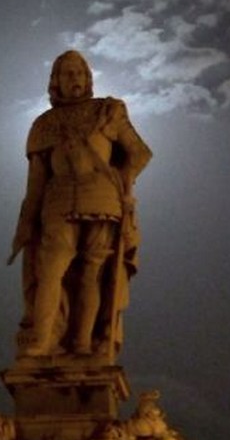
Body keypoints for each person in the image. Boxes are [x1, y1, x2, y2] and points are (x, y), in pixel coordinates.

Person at [9, 50, 152, 358]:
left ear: (88, 79)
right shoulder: (43, 124)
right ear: (55, 81)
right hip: (57, 199)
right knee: (49, 270)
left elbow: (139, 154)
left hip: (102, 198)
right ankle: (43, 339)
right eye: (67, 73)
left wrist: (124, 182)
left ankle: (83, 344)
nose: (74, 78)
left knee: (91, 274)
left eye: (79, 73)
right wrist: (25, 223)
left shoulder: (108, 111)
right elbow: (35, 183)